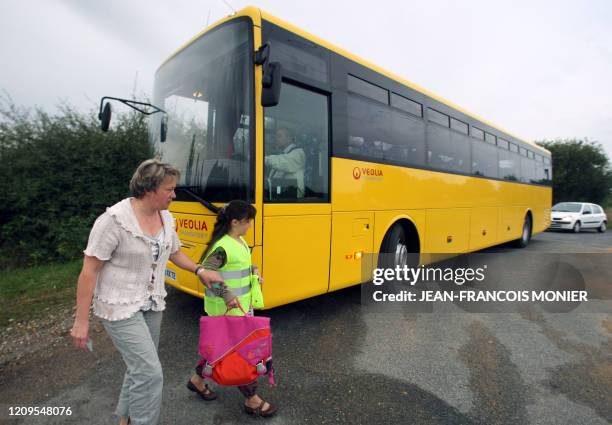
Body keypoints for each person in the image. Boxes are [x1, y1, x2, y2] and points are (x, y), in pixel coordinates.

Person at [70, 159, 222, 425]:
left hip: (152, 303)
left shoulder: (166, 218)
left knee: (138, 367)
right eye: (169, 189)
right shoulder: (113, 222)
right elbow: (89, 271)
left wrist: (199, 271)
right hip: (118, 305)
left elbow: (174, 252)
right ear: (149, 189)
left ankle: (125, 419)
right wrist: (81, 321)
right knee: (150, 373)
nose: (174, 195)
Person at [187, 200, 278, 418]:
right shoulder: (223, 246)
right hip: (227, 310)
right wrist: (227, 295)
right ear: (235, 222)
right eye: (248, 222)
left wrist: (253, 269)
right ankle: (251, 399)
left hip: (240, 308)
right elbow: (206, 273)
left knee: (221, 351)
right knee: (243, 355)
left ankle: (197, 381)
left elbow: (237, 267)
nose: (250, 226)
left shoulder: (239, 241)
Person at [265, 126, 306, 198]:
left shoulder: (298, 153)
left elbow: (281, 162)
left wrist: (260, 159)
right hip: (281, 196)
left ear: (289, 138)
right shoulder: (284, 155)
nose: (276, 139)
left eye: (279, 136)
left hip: (292, 201)